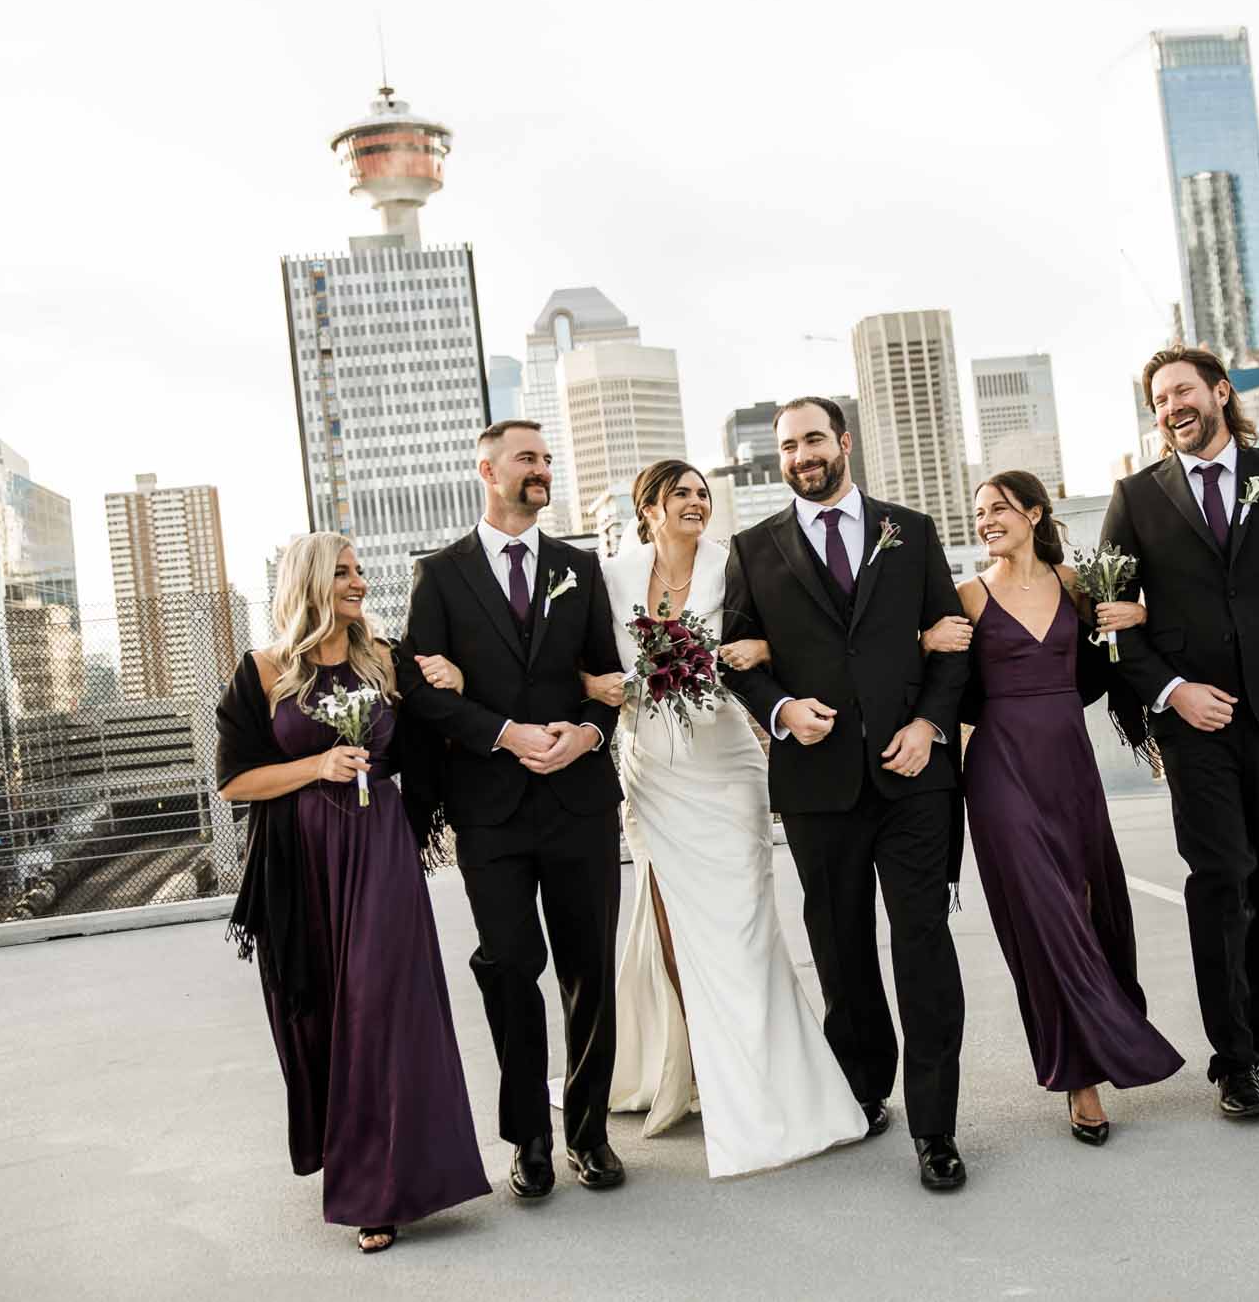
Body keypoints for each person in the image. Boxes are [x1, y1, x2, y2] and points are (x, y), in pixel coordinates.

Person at [426, 461, 870, 1177]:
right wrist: (590, 687)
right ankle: (691, 1064)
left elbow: (784, 639)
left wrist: (760, 651)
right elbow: (559, 660)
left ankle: (766, 1085)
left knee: (745, 926)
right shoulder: (610, 576)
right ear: (649, 508)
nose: (696, 502)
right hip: (652, 774)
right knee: (674, 928)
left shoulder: (739, 566)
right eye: (681, 494)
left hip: (725, 768)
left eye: (702, 493)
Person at [1099, 344, 1259, 1119]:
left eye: (1182, 391)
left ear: (1219, 392)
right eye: (1157, 400)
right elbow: (1111, 620)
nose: (1170, 407)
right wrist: (1173, 692)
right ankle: (1232, 1061)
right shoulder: (1135, 495)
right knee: (1221, 879)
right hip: (1194, 727)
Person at [719, 396, 972, 1191]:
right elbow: (737, 658)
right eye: (788, 445)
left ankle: (936, 1126)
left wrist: (931, 725)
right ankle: (864, 1090)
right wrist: (782, 710)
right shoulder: (752, 548)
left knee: (923, 938)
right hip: (818, 783)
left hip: (913, 775)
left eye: (814, 439)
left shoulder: (913, 529)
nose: (802, 455)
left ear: (844, 442)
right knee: (841, 946)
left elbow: (952, 644)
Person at [217, 532, 488, 1254]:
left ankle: (385, 1189)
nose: (359, 582)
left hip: (379, 853)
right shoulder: (264, 669)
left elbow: (431, 731)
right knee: (323, 1017)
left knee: (382, 1004)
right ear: (309, 582)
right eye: (343, 572)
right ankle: (356, 1155)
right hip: (301, 862)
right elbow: (236, 780)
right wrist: (318, 764)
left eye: (360, 571)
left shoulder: (384, 659)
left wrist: (455, 679)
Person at [394, 420, 628, 1197]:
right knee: (509, 967)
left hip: (580, 800)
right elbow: (422, 689)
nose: (542, 468)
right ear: (488, 469)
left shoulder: (578, 567)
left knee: (589, 970)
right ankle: (529, 1135)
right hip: (490, 811)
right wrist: (503, 731)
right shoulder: (439, 574)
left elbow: (607, 680)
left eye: (547, 459)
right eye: (529, 458)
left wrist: (589, 734)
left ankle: (588, 1134)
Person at [926, 471, 1183, 1144]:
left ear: (1035, 512)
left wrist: (1144, 615)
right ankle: (1081, 1078)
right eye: (977, 511)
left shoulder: (1076, 585)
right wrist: (927, 644)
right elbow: (940, 683)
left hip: (1071, 767)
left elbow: (1118, 651)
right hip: (999, 771)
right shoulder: (968, 596)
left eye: (999, 508)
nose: (986, 520)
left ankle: (1101, 1035)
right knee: (1046, 917)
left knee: (1091, 905)